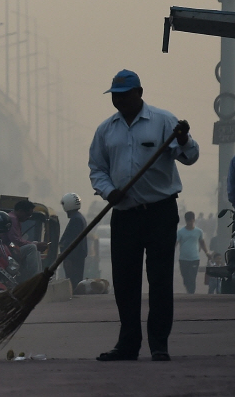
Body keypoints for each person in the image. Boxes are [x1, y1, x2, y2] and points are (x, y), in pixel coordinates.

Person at [89, 69, 199, 362]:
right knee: (125, 281)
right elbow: (97, 169)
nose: (119, 101)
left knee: (160, 279)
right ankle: (128, 345)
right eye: (115, 96)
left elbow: (189, 157)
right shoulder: (106, 130)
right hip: (124, 214)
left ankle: (159, 344)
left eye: (124, 95)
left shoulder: (164, 122)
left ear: (139, 93)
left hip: (160, 211)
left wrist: (185, 138)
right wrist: (109, 190)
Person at [0, 200, 47, 282]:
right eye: (27, 215)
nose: (27, 218)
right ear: (20, 211)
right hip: (6, 252)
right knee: (32, 247)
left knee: (34, 245)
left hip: (10, 250)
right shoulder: (12, 219)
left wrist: (35, 244)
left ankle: (39, 274)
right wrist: (35, 245)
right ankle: (34, 278)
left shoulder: (14, 218)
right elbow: (16, 241)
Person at [58, 193, 88, 291]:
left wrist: (69, 258)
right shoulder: (78, 218)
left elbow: (74, 241)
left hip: (74, 257)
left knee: (73, 283)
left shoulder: (76, 220)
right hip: (76, 256)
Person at [176, 211, 210, 294]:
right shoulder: (180, 232)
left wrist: (207, 252)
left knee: (192, 277)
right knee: (185, 278)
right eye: (188, 221)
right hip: (183, 259)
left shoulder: (199, 231)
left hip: (194, 258)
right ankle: (189, 290)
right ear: (186, 221)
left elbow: (202, 242)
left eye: (191, 221)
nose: (190, 223)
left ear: (194, 220)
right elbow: (175, 243)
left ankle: (191, 294)